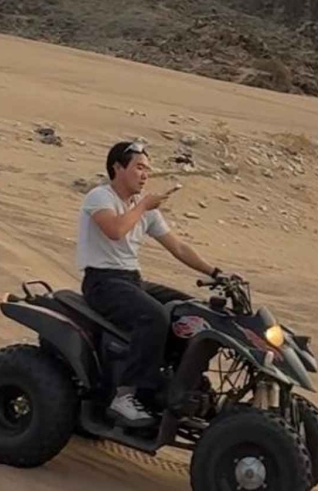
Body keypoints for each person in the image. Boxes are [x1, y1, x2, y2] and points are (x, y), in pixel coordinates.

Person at [77, 140, 227, 427]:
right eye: (139, 168)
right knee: (154, 316)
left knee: (190, 312)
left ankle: (180, 386)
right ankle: (125, 396)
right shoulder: (100, 197)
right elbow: (115, 230)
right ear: (117, 168)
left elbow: (178, 247)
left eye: (147, 169)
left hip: (132, 280)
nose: (145, 175)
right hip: (102, 282)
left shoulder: (143, 209)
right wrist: (145, 205)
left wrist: (215, 272)